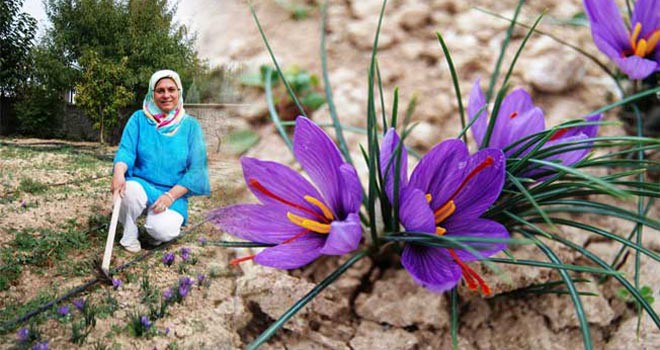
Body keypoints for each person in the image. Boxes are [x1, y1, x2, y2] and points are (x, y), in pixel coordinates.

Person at [111, 69, 211, 252]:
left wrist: (170, 196)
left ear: (179, 91)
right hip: (143, 184)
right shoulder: (139, 119)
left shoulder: (190, 126)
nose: (166, 95)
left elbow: (197, 170)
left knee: (161, 230)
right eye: (160, 90)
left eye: (171, 89)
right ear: (152, 93)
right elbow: (126, 151)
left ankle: (152, 232)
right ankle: (130, 233)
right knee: (129, 191)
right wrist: (118, 173)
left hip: (173, 192)